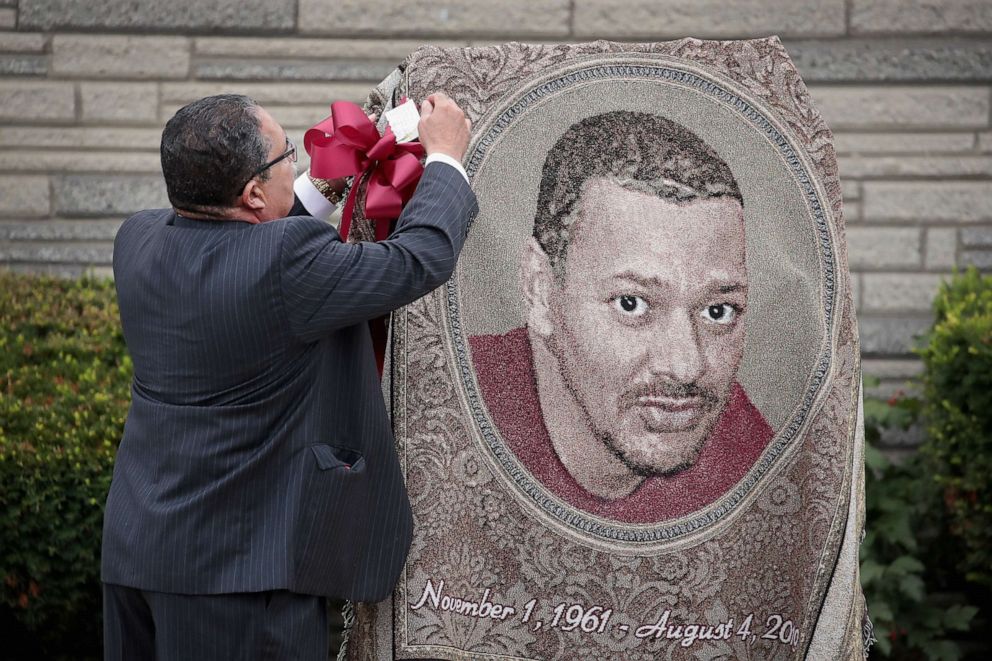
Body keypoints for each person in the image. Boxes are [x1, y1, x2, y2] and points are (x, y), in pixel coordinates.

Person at [101, 92, 476, 660]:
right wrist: (446, 158)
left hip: (138, 553)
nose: (299, 162)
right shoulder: (285, 265)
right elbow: (416, 259)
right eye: (287, 158)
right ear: (252, 193)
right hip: (237, 580)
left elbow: (250, 266)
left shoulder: (139, 240)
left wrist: (320, 186)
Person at [469, 111, 773, 524]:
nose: (686, 366)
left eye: (716, 312)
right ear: (541, 290)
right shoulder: (447, 412)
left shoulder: (748, 461)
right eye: (633, 303)